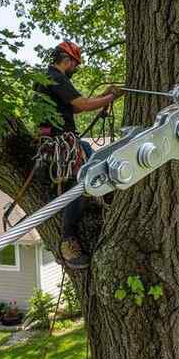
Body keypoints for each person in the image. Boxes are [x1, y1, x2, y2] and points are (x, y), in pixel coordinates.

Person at [36, 41, 123, 268]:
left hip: (62, 139)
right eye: (76, 64)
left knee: (96, 158)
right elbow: (83, 105)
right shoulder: (55, 76)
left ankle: (107, 194)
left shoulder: (49, 78)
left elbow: (73, 107)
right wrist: (110, 98)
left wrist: (104, 95)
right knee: (80, 181)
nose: (76, 69)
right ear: (69, 60)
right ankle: (68, 239)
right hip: (60, 141)